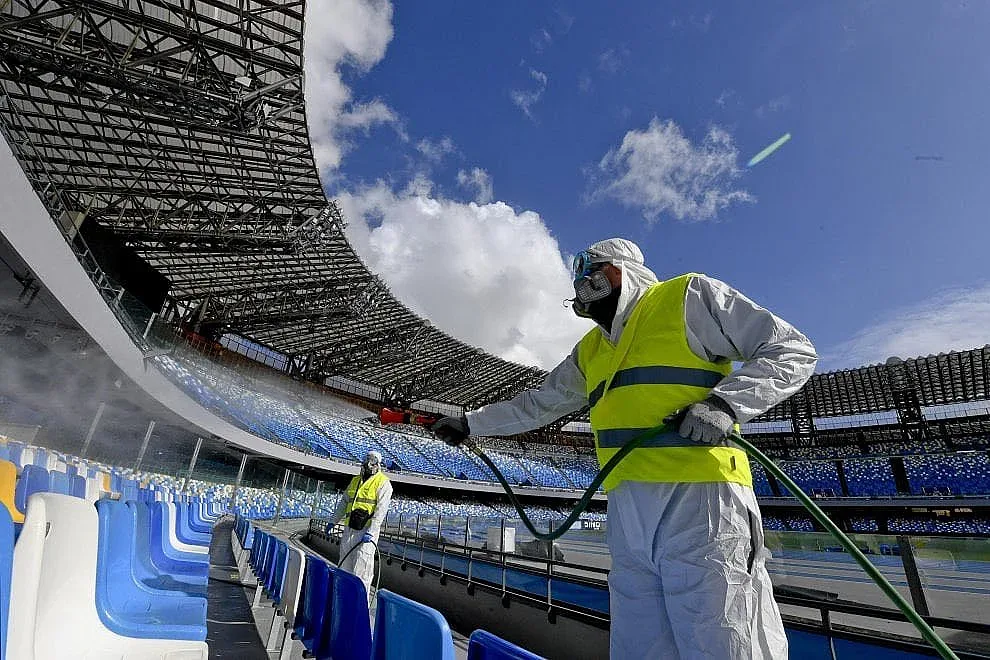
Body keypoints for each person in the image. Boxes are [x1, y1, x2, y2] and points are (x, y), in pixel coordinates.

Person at [431, 238, 817, 659]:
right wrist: (471, 423)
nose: (581, 286)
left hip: (702, 500)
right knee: (639, 646)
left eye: (589, 274)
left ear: (619, 271)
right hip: (628, 509)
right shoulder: (591, 349)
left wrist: (725, 404)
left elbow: (791, 350)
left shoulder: (687, 297)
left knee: (724, 639)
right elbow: (538, 404)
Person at [327, 450, 392, 599]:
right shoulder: (355, 480)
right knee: (344, 566)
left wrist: (372, 530)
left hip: (366, 533)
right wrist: (333, 521)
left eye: (372, 461)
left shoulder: (383, 483)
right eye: (367, 460)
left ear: (378, 464)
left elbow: (381, 511)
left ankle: (359, 603)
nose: (369, 464)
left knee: (362, 570)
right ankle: (342, 598)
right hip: (349, 530)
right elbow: (344, 503)